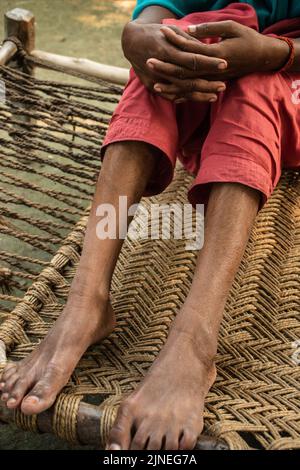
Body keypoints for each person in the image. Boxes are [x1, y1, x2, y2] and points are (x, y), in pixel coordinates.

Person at [1, 0, 300, 451]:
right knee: (170, 53)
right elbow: (160, 11)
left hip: (289, 83)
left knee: (256, 84)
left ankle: (195, 341)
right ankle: (86, 302)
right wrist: (138, 34)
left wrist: (276, 54)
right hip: (216, 79)